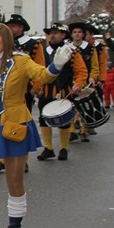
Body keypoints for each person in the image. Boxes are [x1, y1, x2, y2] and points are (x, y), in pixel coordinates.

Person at [0, 23, 78, 228]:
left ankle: (14, 227)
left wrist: (56, 66)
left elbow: (43, 76)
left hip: (14, 124)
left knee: (14, 180)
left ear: (6, 40)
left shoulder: (21, 61)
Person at [36, 23, 88, 160]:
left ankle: (63, 148)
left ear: (63, 35)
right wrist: (37, 87)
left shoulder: (72, 51)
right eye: (50, 33)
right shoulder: (43, 51)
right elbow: (37, 70)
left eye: (56, 33)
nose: (52, 35)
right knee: (43, 118)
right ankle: (48, 148)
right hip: (47, 89)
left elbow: (81, 71)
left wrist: (78, 85)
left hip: (65, 90)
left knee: (64, 119)